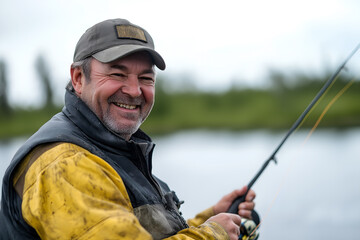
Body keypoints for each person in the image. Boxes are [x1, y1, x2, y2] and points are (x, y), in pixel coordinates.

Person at [0, 18, 256, 240]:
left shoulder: (109, 148)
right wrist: (215, 233)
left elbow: (135, 229)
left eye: (146, 78)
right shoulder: (65, 164)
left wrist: (209, 219)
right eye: (117, 75)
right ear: (79, 78)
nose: (134, 91)